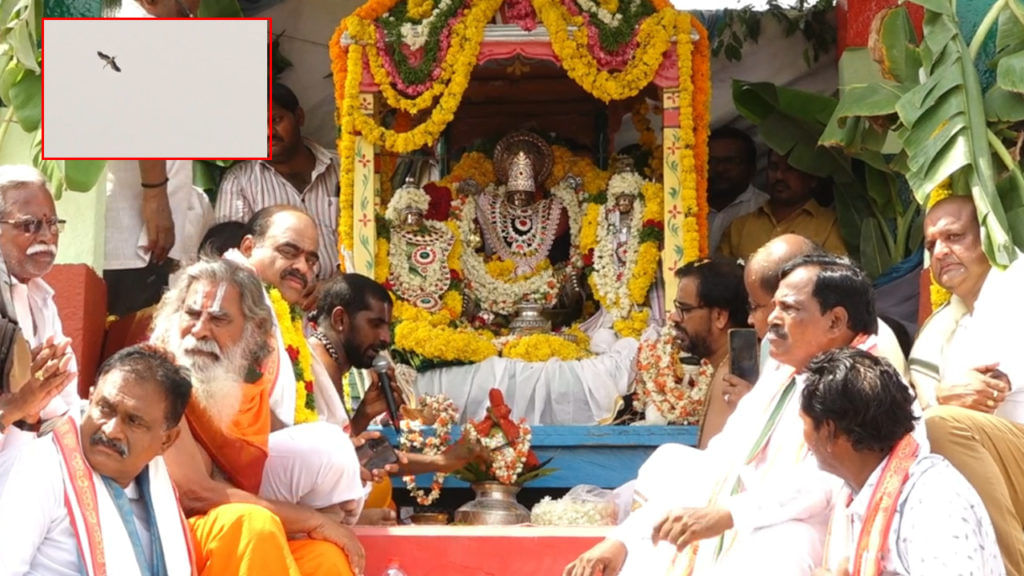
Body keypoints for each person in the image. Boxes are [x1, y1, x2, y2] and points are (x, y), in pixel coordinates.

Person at [565, 254, 882, 576]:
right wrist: (624, 540)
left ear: (835, 321)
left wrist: (726, 514)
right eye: (772, 306)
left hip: (807, 534)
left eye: (789, 308)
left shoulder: (866, 381)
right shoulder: (781, 374)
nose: (771, 318)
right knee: (671, 471)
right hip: (746, 517)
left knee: (779, 544)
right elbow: (719, 461)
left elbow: (825, 482)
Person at [150, 258, 365, 576]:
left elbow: (283, 440)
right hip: (167, 535)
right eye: (192, 314)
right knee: (253, 525)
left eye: (219, 319)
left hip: (220, 526)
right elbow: (194, 493)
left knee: (324, 557)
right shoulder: (155, 376)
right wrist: (312, 518)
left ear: (252, 331)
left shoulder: (235, 385)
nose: (199, 330)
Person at [804, 348, 1003, 576]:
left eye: (804, 423)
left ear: (830, 431)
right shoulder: (858, 489)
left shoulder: (934, 502)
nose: (803, 437)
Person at [0, 345, 195, 576]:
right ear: (90, 397)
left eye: (134, 421)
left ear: (167, 441)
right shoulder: (39, 468)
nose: (112, 430)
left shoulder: (159, 494)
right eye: (105, 408)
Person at [909, 195, 1024, 576]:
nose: (941, 252)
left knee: (939, 425)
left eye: (955, 237)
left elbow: (984, 392)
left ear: (988, 237)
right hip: (997, 453)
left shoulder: (1016, 281)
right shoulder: (953, 327)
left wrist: (945, 402)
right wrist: (943, 397)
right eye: (931, 245)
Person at [216, 83, 340, 281]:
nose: (267, 132)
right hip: (278, 303)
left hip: (347, 297)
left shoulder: (342, 169)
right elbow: (233, 261)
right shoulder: (239, 182)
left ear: (299, 117)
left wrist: (332, 288)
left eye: (275, 119)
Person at [0, 165, 79, 452]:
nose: (47, 235)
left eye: (53, 223)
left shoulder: (40, 298)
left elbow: (64, 407)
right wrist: (21, 404)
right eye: (29, 225)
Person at [628, 260, 749, 446]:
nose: (674, 317)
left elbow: (714, 466)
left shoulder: (729, 378)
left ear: (719, 316)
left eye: (684, 309)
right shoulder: (725, 366)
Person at [718, 151, 846, 260]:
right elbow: (724, 279)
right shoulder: (739, 226)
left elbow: (835, 282)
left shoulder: (831, 226)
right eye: (773, 167)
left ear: (812, 178)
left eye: (790, 169)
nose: (779, 176)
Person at [384, 178, 456, 313]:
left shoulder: (440, 234)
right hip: (402, 298)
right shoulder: (391, 232)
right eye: (409, 213)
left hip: (438, 296)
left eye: (417, 214)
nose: (413, 218)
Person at [707, 127, 768, 253]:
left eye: (731, 161)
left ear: (752, 168)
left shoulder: (765, 209)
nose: (720, 168)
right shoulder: (679, 208)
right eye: (711, 161)